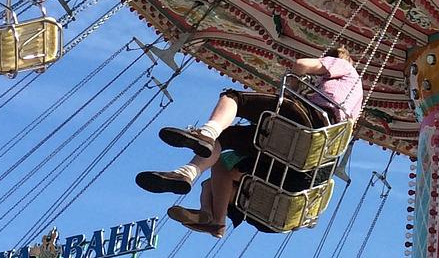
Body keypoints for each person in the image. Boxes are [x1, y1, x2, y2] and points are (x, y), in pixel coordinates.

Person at [140, 47, 364, 237]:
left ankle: (206, 133)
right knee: (221, 165)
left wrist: (290, 94)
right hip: (309, 157)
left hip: (310, 120)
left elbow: (301, 65)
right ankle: (209, 211)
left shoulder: (345, 68)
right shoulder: (356, 104)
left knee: (233, 98)